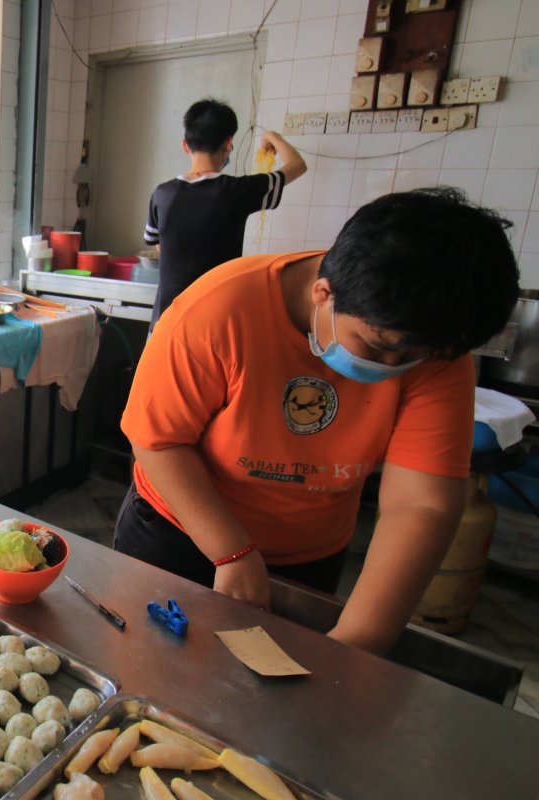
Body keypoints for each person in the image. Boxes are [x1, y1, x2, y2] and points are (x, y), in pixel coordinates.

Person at [115, 188, 519, 654]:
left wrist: (354, 648)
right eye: (377, 347)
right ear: (323, 294)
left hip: (309, 555)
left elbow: (422, 505)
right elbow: (158, 441)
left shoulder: (434, 346)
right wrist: (231, 548)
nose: (394, 365)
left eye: (414, 356)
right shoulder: (219, 309)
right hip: (179, 534)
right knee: (152, 667)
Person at [145, 98, 307, 325]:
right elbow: (297, 165)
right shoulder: (236, 191)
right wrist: (272, 137)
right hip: (215, 318)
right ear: (228, 143)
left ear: (185, 145)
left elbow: (158, 244)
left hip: (166, 321)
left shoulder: (162, 194)